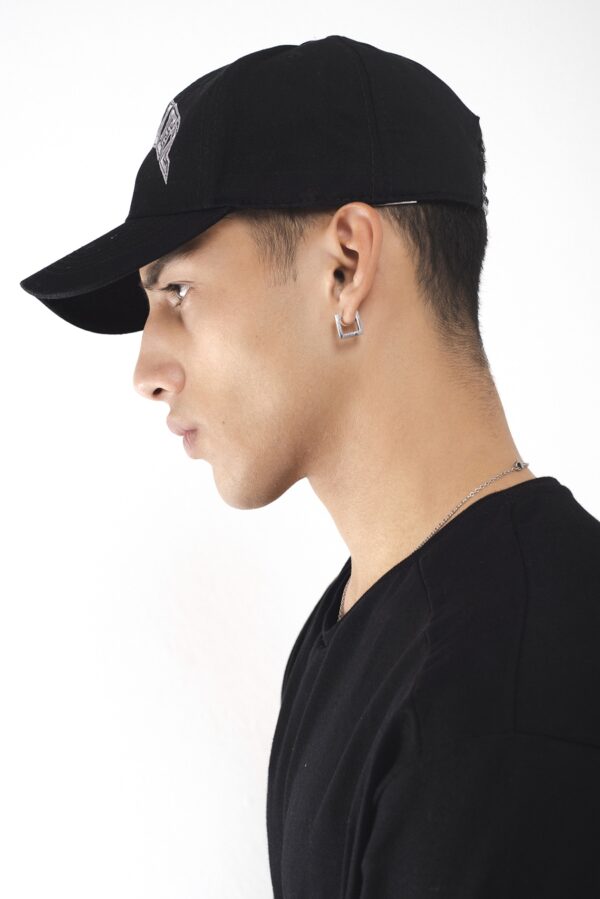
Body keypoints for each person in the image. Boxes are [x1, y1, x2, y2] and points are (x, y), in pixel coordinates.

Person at [20, 34, 600, 898]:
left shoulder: (513, 701)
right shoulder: (354, 621)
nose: (146, 371)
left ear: (345, 265)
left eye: (177, 290)